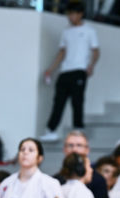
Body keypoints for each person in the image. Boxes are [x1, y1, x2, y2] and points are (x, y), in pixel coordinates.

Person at [40, 1, 100, 142]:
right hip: (65, 71)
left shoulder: (89, 31)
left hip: (79, 70)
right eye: (69, 14)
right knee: (58, 101)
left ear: (80, 14)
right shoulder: (66, 32)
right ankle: (51, 130)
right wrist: (51, 69)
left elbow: (96, 51)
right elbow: (62, 52)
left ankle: (78, 129)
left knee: (77, 101)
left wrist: (91, 66)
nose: (70, 17)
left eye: (73, 14)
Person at [62, 131, 110, 198]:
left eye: (79, 145)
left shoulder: (97, 180)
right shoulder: (55, 181)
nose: (74, 149)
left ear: (87, 149)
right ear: (64, 149)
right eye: (70, 145)